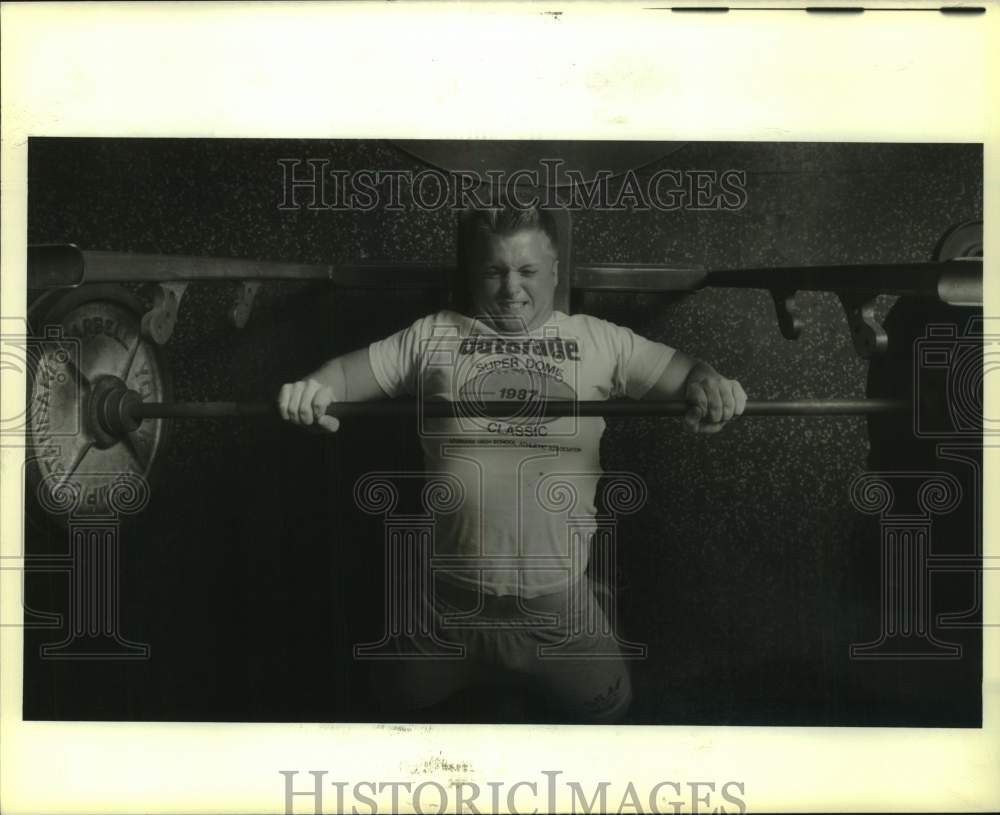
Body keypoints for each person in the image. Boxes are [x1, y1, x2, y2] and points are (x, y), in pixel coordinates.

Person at [278, 205, 746, 722]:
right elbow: (343, 375)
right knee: (387, 718)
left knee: (613, 713)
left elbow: (689, 376)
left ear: (555, 273)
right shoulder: (434, 335)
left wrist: (711, 385)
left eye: (526, 271)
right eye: (494, 271)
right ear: (474, 275)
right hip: (446, 612)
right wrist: (312, 388)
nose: (510, 289)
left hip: (558, 616)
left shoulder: (600, 340)